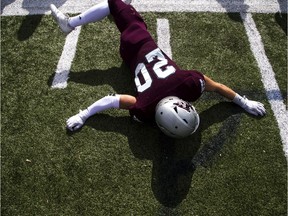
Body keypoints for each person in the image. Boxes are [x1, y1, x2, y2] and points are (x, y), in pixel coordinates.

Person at [50, 0, 266, 138]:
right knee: (118, 5)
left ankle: (70, 24)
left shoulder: (187, 84)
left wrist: (243, 101)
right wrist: (82, 116)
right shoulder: (146, 107)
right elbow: (111, 100)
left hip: (138, 40)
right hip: (130, 56)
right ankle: (75, 22)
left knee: (115, 2)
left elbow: (218, 87)